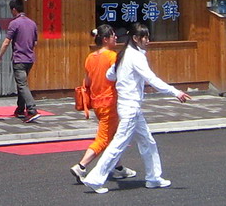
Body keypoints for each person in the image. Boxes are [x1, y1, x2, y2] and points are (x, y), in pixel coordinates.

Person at [81, 23, 191, 194]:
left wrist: (123, 79)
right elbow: (151, 79)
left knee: (148, 141)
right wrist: (175, 92)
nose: (147, 40)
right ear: (135, 38)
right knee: (118, 144)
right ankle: (95, 179)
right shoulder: (135, 56)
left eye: (147, 36)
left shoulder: (123, 54)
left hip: (129, 106)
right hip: (130, 107)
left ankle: (154, 178)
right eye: (144, 37)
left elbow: (110, 75)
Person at [70, 25, 136, 183]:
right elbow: (121, 79)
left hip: (96, 102)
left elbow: (88, 81)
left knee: (111, 136)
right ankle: (81, 166)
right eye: (113, 35)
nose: (116, 37)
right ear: (105, 39)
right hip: (110, 102)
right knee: (104, 138)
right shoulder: (113, 57)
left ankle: (118, 167)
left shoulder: (90, 57)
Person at [0, 0, 40, 123]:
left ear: (14, 10)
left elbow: (6, 42)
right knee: (22, 84)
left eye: (11, 10)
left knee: (22, 85)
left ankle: (32, 110)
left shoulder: (14, 23)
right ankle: (20, 109)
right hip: (29, 58)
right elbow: (35, 42)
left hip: (19, 58)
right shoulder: (32, 23)